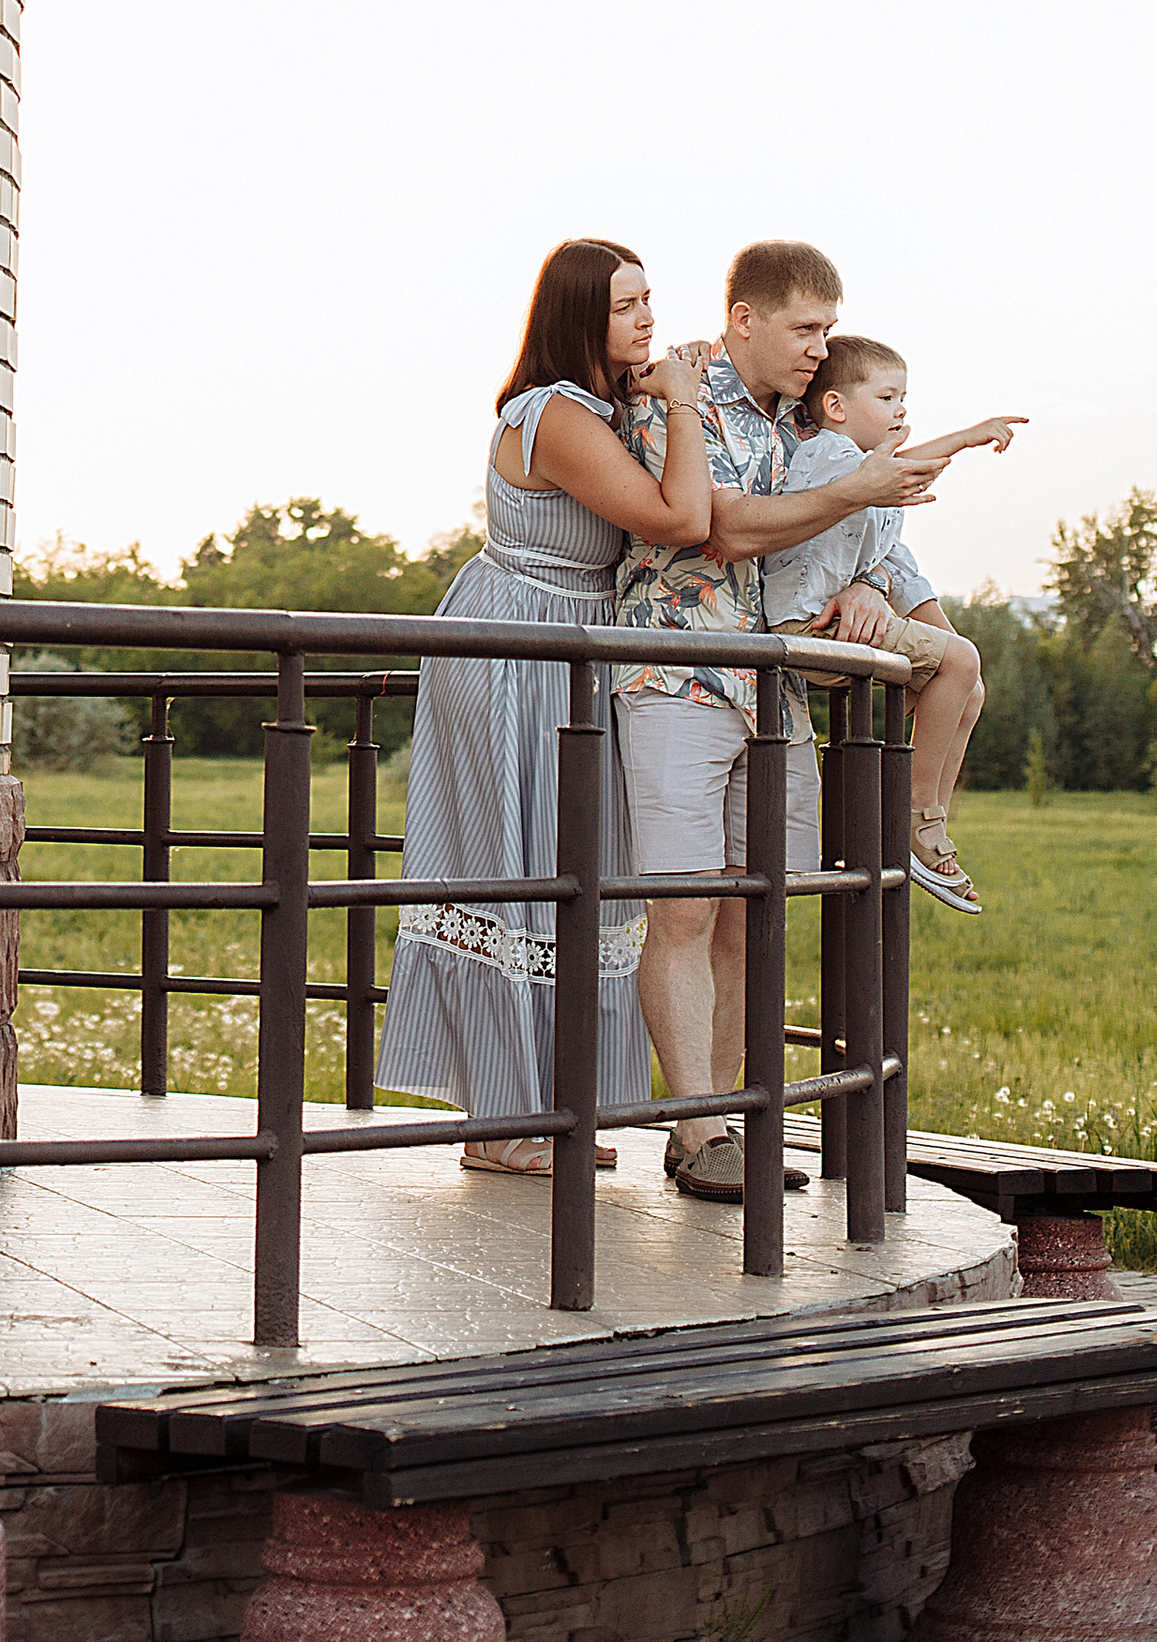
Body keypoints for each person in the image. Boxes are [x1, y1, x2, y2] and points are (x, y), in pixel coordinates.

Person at [613, 240, 941, 1206]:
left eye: (829, 332)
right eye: (804, 329)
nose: (818, 349)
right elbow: (722, 526)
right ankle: (696, 1132)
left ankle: (737, 1124)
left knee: (756, 914)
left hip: (778, 696)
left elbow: (849, 535)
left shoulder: (807, 420)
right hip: (677, 679)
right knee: (682, 907)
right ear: (744, 318)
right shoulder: (676, 396)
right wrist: (856, 492)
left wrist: (871, 584)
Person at [382, 237, 716, 1179]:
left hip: (571, 644)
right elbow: (681, 520)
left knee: (567, 868)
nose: (648, 320)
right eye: (626, 307)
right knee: (510, 865)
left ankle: (538, 1109)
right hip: (517, 640)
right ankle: (498, 1122)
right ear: (579, 320)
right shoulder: (560, 415)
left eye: (651, 300)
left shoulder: (604, 408)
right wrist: (684, 403)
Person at [766, 335, 1021, 916]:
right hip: (805, 629)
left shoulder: (869, 484)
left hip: (823, 632)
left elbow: (898, 567)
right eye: (887, 396)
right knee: (959, 662)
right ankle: (914, 821)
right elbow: (903, 470)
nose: (901, 409)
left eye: (904, 396)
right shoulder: (829, 456)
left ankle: (906, 814)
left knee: (966, 681)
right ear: (836, 407)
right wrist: (964, 437)